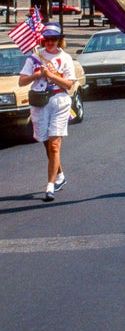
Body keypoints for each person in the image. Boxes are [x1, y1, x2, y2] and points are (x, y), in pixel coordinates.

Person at [18, 23, 77, 202]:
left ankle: (49, 187)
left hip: (59, 101)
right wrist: (37, 75)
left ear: (60, 40)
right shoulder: (35, 57)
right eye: (47, 39)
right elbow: (21, 82)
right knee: (45, 141)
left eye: (53, 39)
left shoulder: (65, 58)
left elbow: (69, 85)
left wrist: (51, 76)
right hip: (39, 102)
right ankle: (59, 176)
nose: (50, 42)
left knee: (54, 145)